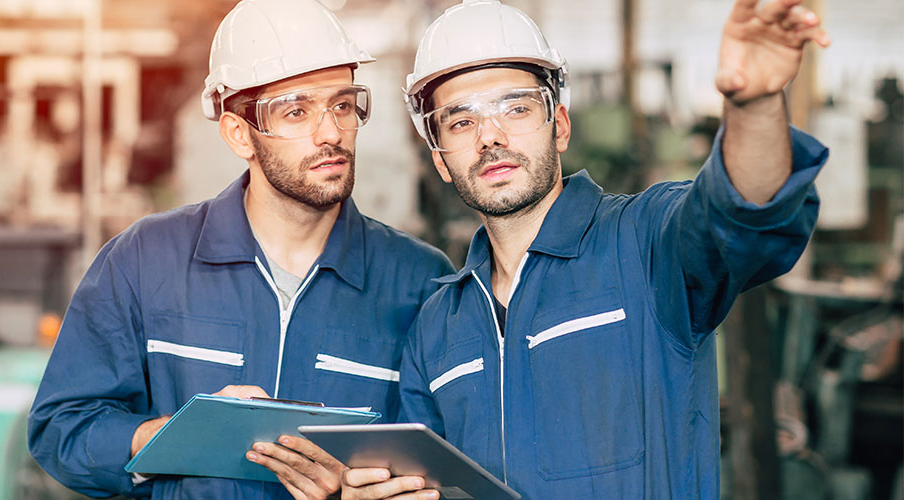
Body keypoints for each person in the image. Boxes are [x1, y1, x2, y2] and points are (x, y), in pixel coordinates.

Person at [341, 0, 830, 498]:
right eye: (461, 121)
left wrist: (756, 106)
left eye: (516, 107)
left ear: (562, 126)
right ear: (440, 159)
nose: (491, 135)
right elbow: (428, 486)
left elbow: (744, 213)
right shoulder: (438, 327)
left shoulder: (646, 244)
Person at [27, 0, 454, 499]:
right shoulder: (144, 261)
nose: (331, 132)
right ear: (238, 133)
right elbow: (62, 429)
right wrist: (181, 434)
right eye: (296, 111)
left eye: (342, 104)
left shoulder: (421, 283)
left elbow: (449, 463)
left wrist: (359, 488)